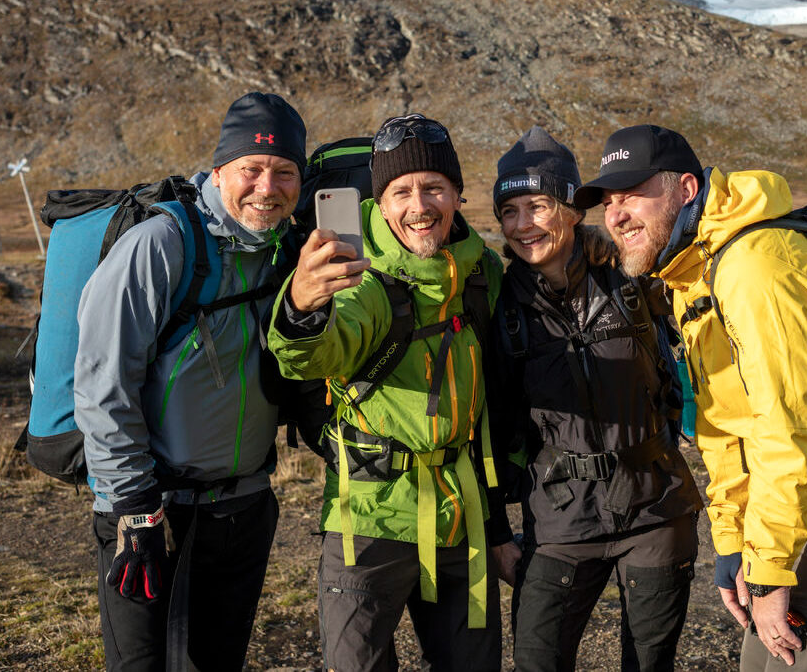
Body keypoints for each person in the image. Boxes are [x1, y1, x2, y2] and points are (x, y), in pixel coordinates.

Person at [573, 124, 807, 672]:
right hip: (806, 507)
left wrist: (771, 570)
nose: (616, 214)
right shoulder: (693, 273)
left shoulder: (756, 268)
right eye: (608, 202)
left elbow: (786, 428)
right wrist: (733, 539)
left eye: (633, 194)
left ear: (686, 190)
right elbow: (723, 425)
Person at [267, 113, 516, 672]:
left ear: (457, 195)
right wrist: (304, 306)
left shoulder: (483, 274)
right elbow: (315, 351)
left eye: (433, 187)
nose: (418, 205)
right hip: (368, 522)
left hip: (460, 517)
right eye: (400, 191)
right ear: (379, 203)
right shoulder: (358, 278)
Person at [74, 91, 307, 671]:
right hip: (150, 512)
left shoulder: (288, 253)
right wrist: (133, 507)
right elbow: (102, 384)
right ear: (221, 168)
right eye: (251, 170)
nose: (266, 187)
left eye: (283, 173)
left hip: (244, 507)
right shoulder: (162, 244)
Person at [491, 127, 703, 672]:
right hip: (559, 521)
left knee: (650, 664)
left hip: (657, 509)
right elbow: (485, 430)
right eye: (508, 211)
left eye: (537, 205)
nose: (522, 225)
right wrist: (495, 532)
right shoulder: (498, 305)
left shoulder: (633, 275)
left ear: (569, 208)